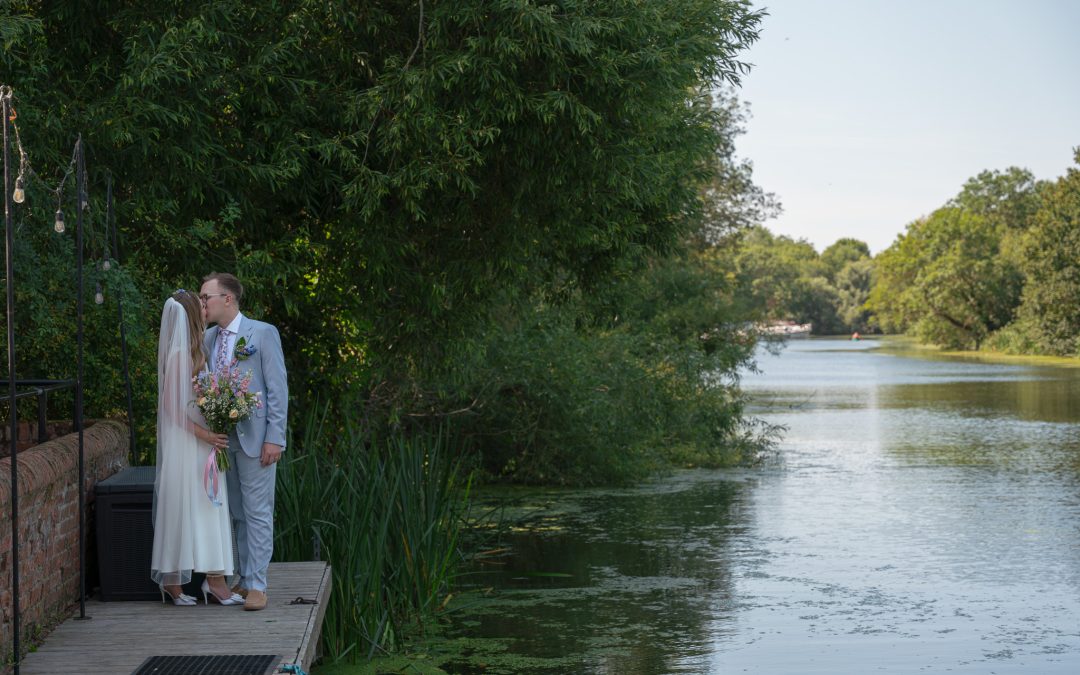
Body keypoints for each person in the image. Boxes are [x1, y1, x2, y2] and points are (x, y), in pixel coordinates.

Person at [200, 273, 288, 612]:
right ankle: (242, 577)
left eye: (206, 297)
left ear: (228, 299)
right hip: (222, 441)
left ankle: (258, 585)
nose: (202, 303)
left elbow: (277, 390)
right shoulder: (206, 339)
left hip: (256, 439)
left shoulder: (262, 333)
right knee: (234, 512)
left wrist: (275, 438)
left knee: (257, 511)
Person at [151, 289, 244, 606]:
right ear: (192, 313)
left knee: (204, 508)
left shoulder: (196, 351)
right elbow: (171, 409)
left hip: (201, 440)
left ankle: (209, 581)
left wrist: (218, 416)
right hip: (189, 443)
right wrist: (206, 435)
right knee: (194, 507)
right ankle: (185, 583)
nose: (207, 306)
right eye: (201, 304)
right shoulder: (181, 355)